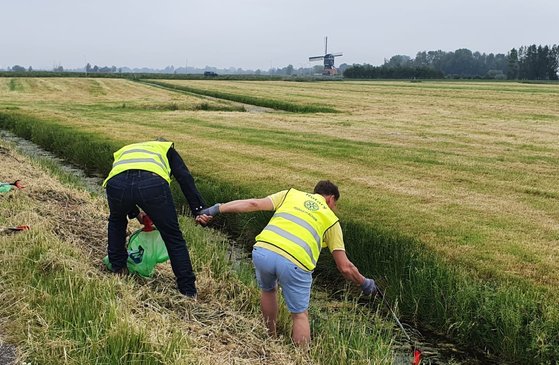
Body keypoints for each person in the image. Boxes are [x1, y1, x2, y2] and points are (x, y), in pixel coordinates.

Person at [199, 180, 377, 345]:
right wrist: (364, 283)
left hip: (263, 251)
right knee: (299, 315)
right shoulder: (331, 220)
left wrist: (216, 209)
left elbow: (253, 204)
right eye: (335, 204)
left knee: (268, 290)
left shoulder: (290, 194)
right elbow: (345, 267)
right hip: (295, 262)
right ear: (330, 199)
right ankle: (301, 358)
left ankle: (271, 339)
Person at [103, 140, 209, 297]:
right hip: (152, 183)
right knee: (172, 235)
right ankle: (187, 290)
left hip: (116, 183)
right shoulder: (165, 148)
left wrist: (135, 213)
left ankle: (118, 269)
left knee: (117, 222)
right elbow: (184, 178)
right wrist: (199, 210)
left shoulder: (127, 149)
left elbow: (126, 181)